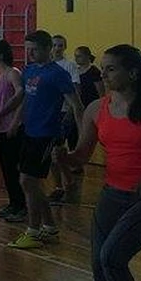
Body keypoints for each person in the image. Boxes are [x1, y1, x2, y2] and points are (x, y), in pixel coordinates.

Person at [64, 45, 141, 281]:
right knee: (100, 268)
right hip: (112, 195)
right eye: (103, 67)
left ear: (133, 73)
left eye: (111, 68)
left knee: (112, 257)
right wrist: (64, 158)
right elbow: (81, 155)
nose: (104, 74)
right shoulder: (97, 108)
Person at [0, 30, 83, 250]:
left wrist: (82, 137)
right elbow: (24, 99)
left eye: (34, 49)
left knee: (27, 181)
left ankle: (33, 231)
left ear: (47, 49)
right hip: (29, 132)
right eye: (28, 50)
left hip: (46, 134)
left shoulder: (58, 74)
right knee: (30, 183)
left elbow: (76, 105)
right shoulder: (29, 70)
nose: (30, 54)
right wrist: (10, 118)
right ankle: (50, 227)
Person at [0, 40, 26, 223]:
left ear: (0, 55)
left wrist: (12, 120)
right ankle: (13, 202)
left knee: (13, 169)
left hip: (11, 130)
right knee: (6, 170)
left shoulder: (13, 73)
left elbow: (21, 94)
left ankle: (21, 206)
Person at [49, 34, 83, 204]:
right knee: (52, 152)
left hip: (63, 112)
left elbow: (76, 91)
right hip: (48, 114)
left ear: (65, 47)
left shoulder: (69, 66)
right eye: (55, 45)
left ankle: (61, 186)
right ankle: (65, 182)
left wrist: (71, 113)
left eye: (60, 45)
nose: (57, 48)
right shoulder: (45, 66)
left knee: (56, 150)